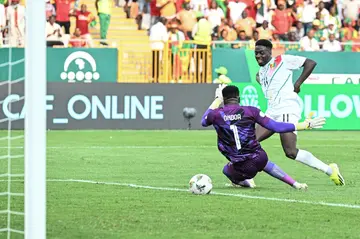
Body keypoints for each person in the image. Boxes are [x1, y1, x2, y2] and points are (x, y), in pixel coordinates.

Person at [254, 39, 345, 186]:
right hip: (272, 111)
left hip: (287, 109)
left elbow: (310, 62)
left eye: (262, 53)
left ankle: (330, 170)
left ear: (270, 52)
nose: (258, 56)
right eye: (256, 53)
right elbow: (266, 82)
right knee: (250, 142)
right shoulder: (261, 71)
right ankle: (244, 175)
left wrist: (298, 83)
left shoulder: (283, 60)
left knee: (290, 152)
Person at [201, 84, 326, 189]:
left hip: (241, 165)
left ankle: (247, 183)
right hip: (260, 157)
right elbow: (276, 126)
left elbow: (203, 121)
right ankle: (295, 184)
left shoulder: (216, 115)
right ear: (238, 97)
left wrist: (217, 99)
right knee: (261, 161)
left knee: (227, 171)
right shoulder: (251, 111)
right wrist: (305, 125)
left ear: (224, 99)